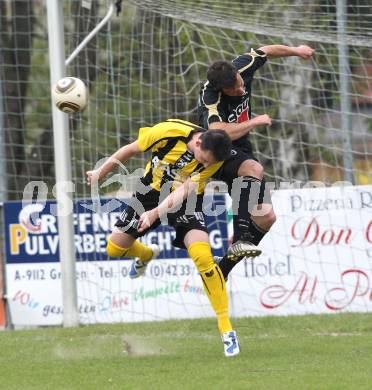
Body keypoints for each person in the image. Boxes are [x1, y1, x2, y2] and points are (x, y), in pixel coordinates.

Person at [86, 118, 240, 357]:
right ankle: (146, 254)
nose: (204, 164)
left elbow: (186, 188)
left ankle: (226, 330)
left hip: (185, 201)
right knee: (114, 249)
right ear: (198, 142)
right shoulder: (168, 132)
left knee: (203, 257)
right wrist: (100, 172)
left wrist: (156, 213)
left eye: (208, 163)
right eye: (203, 158)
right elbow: (130, 149)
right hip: (148, 193)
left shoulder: (213, 161)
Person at [198, 44, 314, 279]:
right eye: (235, 89)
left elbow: (265, 50)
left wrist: (296, 50)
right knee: (253, 168)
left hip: (241, 148)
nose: (242, 89)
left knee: (266, 217)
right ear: (222, 89)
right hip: (215, 150)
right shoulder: (209, 97)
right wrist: (253, 122)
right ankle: (241, 236)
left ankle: (222, 270)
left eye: (241, 82)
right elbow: (218, 130)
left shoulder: (241, 66)